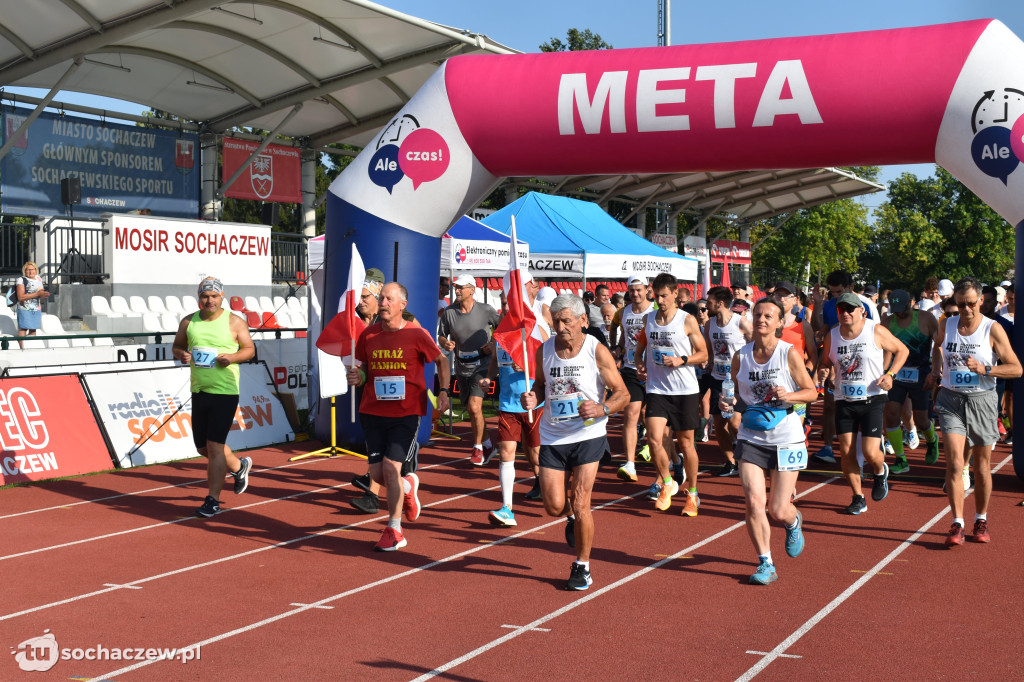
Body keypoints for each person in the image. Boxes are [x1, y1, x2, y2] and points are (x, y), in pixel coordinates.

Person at [520, 293, 629, 590]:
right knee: (554, 507)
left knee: (581, 501)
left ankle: (582, 566)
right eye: (556, 321)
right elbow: (540, 388)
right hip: (554, 436)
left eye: (567, 321)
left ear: (582, 320)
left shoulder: (596, 350)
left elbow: (622, 394)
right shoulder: (545, 351)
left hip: (588, 434)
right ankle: (570, 519)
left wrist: (602, 408)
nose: (561, 327)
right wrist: (532, 397)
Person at [347, 282, 451, 551]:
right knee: (380, 476)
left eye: (388, 299)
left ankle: (394, 529)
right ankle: (407, 486)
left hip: (406, 412)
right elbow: (365, 370)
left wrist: (443, 390)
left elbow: (441, 361)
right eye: (381, 298)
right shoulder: (367, 336)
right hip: (372, 411)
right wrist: (359, 377)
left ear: (402, 305)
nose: (382, 303)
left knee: (391, 470)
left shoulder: (417, 334)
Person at [721, 298, 819, 584]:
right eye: (758, 314)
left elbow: (811, 392)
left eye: (768, 316)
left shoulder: (788, 353)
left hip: (786, 436)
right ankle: (765, 562)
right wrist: (729, 405)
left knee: (778, 509)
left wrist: (788, 395)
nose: (762, 319)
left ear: (778, 322)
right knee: (753, 502)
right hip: (751, 436)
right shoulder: (741, 356)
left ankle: (793, 520)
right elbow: (738, 397)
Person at [927, 277, 1021, 546]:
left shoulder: (992, 329)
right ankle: (957, 522)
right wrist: (936, 371)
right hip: (950, 400)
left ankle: (981, 518)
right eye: (960, 304)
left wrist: (985, 369)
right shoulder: (947, 323)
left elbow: (1016, 368)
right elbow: (937, 347)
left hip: (982, 400)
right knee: (956, 463)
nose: (966, 310)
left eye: (970, 304)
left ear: (981, 300)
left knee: (981, 466)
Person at [816, 292, 908, 515]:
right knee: (846, 453)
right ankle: (858, 497)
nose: (845, 313)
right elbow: (826, 362)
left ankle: (879, 470)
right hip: (844, 399)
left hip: (872, 398)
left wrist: (891, 375)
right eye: (841, 310)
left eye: (850, 309)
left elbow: (902, 350)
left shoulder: (874, 330)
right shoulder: (833, 335)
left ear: (861, 311)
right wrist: (824, 372)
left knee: (869, 451)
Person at [171, 277, 256, 518]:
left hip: (225, 391)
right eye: (205, 296)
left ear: (222, 297)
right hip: (199, 391)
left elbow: (249, 349)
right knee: (202, 447)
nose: (210, 300)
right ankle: (239, 467)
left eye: (214, 296)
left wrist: (232, 357)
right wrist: (182, 355)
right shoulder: (189, 322)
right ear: (199, 298)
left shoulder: (234, 321)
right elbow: (177, 346)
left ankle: (213, 500)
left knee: (215, 446)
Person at [635, 273, 709, 515]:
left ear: (676, 294)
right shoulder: (649, 319)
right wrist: (640, 365)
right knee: (653, 439)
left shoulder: (686, 320)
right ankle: (667, 483)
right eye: (656, 296)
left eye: (665, 296)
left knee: (687, 444)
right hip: (657, 389)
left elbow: (703, 354)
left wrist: (682, 359)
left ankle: (693, 493)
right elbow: (639, 350)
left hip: (685, 391)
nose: (660, 301)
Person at [479, 286, 549, 525]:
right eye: (503, 303)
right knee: (506, 452)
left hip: (533, 401)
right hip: (508, 402)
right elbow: (496, 359)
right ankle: (507, 507)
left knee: (537, 454)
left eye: (509, 304)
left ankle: (549, 485)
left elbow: (550, 359)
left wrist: (528, 362)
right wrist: (490, 377)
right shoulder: (500, 332)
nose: (505, 307)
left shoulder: (535, 329)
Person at [810, 270, 874, 465]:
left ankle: (866, 451)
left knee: (863, 407)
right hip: (836, 358)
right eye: (833, 292)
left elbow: (876, 335)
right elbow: (820, 328)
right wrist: (819, 304)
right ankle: (828, 447)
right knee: (830, 405)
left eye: (839, 292)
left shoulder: (867, 305)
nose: (836, 296)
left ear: (850, 287)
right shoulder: (830, 305)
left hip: (861, 361)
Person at [438, 274, 500, 464]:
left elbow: (502, 330)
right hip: (461, 365)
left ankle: (477, 448)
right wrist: (446, 343)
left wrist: (492, 343)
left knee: (474, 407)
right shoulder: (449, 312)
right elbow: (441, 336)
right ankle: (488, 443)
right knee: (472, 411)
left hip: (482, 365)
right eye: (455, 287)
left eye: (460, 287)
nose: (456, 290)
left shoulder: (486, 310)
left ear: (472, 290)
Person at [881, 289, 940, 474]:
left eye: (903, 308)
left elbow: (938, 347)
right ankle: (900, 458)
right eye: (895, 308)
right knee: (890, 414)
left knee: (921, 420)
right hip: (896, 374)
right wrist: (884, 373)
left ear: (911, 302)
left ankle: (931, 440)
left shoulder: (926, 318)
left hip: (921, 374)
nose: (899, 312)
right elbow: (885, 351)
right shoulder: (887, 322)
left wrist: (935, 372)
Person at [701, 286, 752, 476]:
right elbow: (709, 350)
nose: (706, 306)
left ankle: (747, 458)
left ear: (720, 303)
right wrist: (707, 362)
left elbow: (757, 347)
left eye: (709, 302)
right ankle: (730, 461)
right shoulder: (709, 325)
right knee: (719, 423)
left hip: (738, 381)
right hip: (717, 380)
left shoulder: (741, 323)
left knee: (734, 423)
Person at [610, 274, 655, 483]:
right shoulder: (624, 312)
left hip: (656, 371)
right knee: (631, 413)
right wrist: (618, 348)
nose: (635, 294)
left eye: (639, 289)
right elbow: (623, 334)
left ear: (647, 289)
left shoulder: (655, 310)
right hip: (631, 368)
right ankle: (630, 463)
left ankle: (668, 455)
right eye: (632, 290)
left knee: (651, 416)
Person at [773, 281, 817, 434]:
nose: (782, 299)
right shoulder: (766, 324)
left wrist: (806, 372)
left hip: (796, 384)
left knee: (796, 428)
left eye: (786, 296)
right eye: (778, 295)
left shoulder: (803, 325)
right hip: (772, 382)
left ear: (795, 299)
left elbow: (813, 355)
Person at [982, 285, 1014, 445]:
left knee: (991, 411)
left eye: (988, 301)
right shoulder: (966, 324)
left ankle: (986, 442)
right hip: (971, 376)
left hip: (996, 377)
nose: (984, 304)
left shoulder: (1005, 326)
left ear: (995, 302)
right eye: (981, 300)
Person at [14, 261, 49, 349]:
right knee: (23, 329)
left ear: (36, 270)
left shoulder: (38, 279)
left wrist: (44, 294)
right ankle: (21, 349)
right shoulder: (21, 280)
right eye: (28, 270)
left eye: (32, 269)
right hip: (24, 309)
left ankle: (31, 348)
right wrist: (37, 294)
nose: (30, 272)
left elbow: (39, 291)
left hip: (36, 309)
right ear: (24, 271)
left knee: (33, 330)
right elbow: (20, 297)